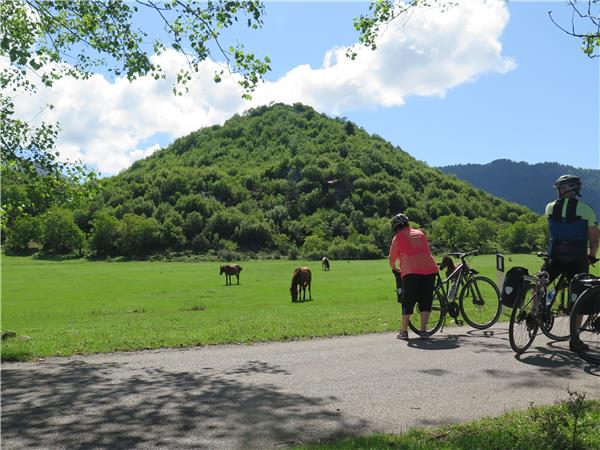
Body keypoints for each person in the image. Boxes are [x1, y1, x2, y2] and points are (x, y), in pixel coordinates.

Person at [543, 175, 599, 350]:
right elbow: (594, 238)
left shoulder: (549, 207)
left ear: (566, 189)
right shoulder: (586, 210)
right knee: (580, 297)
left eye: (560, 188)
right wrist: (592, 255)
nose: (558, 191)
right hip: (576, 259)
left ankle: (537, 314)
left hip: (555, 256)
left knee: (540, 281)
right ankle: (575, 340)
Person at [388, 213, 439, 340]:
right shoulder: (421, 233)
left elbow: (392, 258)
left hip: (411, 271)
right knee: (426, 300)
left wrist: (394, 268)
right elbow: (427, 251)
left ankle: (404, 332)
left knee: (408, 300)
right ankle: (423, 331)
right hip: (430, 269)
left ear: (395, 227)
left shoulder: (398, 237)